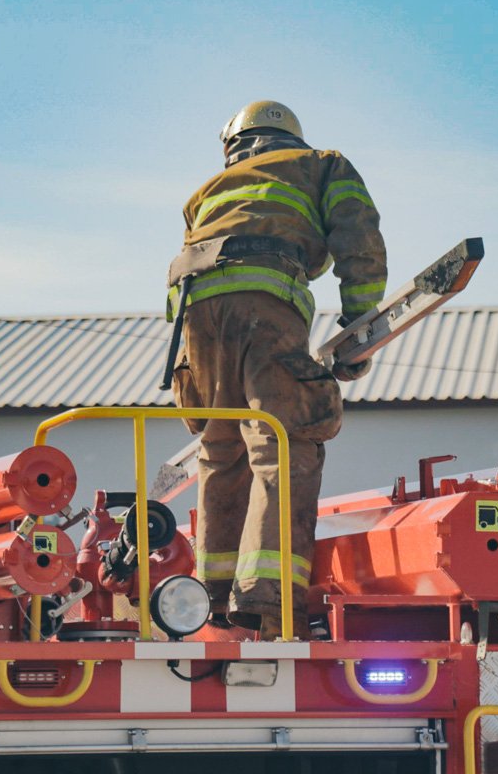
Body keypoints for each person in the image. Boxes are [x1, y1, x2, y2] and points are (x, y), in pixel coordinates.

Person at [167, 100, 387, 639]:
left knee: (220, 449)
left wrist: (188, 374)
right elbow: (357, 236)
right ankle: (266, 603)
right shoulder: (321, 164)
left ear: (235, 145)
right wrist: (361, 322)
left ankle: (214, 601)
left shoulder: (205, 192)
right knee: (283, 443)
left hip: (193, 316)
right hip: (265, 298)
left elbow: (184, 273)